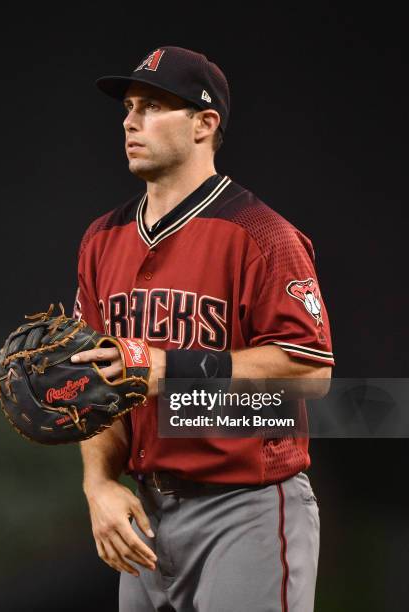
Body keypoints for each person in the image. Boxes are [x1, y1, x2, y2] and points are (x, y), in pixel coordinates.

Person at [70, 46, 334, 612]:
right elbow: (96, 386)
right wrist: (98, 483)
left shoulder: (262, 235)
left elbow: (311, 372)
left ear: (204, 123)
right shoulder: (101, 240)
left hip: (246, 509)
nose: (130, 119)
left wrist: (173, 369)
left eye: (154, 105)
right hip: (144, 512)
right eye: (129, 106)